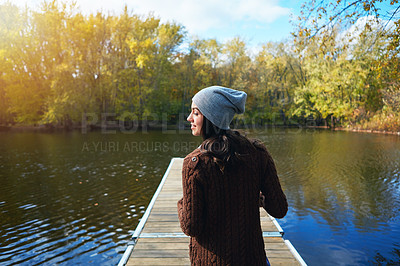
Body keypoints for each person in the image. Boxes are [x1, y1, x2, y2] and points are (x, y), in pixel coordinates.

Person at [177, 86, 288, 266]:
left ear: (211, 117)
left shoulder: (195, 163)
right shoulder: (258, 153)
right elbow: (279, 209)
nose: (189, 118)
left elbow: (191, 226)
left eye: (195, 113)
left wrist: (182, 203)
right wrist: (256, 198)